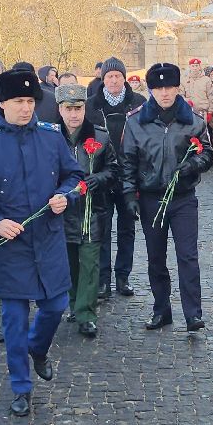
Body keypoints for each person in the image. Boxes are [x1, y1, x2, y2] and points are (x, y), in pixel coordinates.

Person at [0, 68, 84, 415]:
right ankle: (21, 386)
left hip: (47, 239)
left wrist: (65, 195)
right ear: (1, 104)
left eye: (30, 101)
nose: (26, 108)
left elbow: (74, 176)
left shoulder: (51, 137)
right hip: (8, 245)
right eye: (19, 102)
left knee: (57, 305)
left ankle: (38, 348)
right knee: (14, 320)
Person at [122, 63, 213, 331]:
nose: (164, 93)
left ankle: (193, 313)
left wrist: (191, 166)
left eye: (169, 87)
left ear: (177, 88)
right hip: (152, 198)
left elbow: (207, 153)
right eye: (159, 88)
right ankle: (161, 309)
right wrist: (129, 193)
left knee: (187, 255)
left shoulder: (193, 121)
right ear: (151, 90)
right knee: (155, 257)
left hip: (183, 197)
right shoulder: (136, 121)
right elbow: (127, 160)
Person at [56, 83, 118, 338]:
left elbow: (114, 169)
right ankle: (73, 304)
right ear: (60, 109)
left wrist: (99, 179)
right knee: (69, 263)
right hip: (62, 212)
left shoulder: (100, 137)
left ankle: (86, 314)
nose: (74, 114)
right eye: (69, 108)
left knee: (90, 264)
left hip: (92, 212)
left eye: (78, 108)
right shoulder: (50, 137)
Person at [84, 57, 141, 298]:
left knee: (127, 228)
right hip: (103, 174)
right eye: (109, 76)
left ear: (124, 78)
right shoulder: (91, 106)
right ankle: (103, 279)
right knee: (103, 230)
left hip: (129, 174)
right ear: (103, 79)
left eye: (118, 75)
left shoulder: (138, 102)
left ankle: (123, 277)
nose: (114, 80)